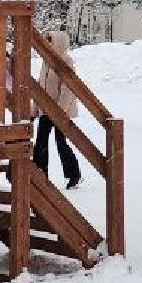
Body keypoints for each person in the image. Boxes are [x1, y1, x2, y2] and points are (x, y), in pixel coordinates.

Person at [35, 31, 84, 190]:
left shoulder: (66, 61)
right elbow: (41, 86)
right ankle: (40, 174)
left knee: (60, 142)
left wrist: (59, 111)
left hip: (60, 111)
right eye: (46, 41)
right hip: (45, 109)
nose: (48, 44)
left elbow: (68, 89)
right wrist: (35, 109)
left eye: (50, 41)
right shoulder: (46, 61)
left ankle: (73, 175)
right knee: (40, 142)